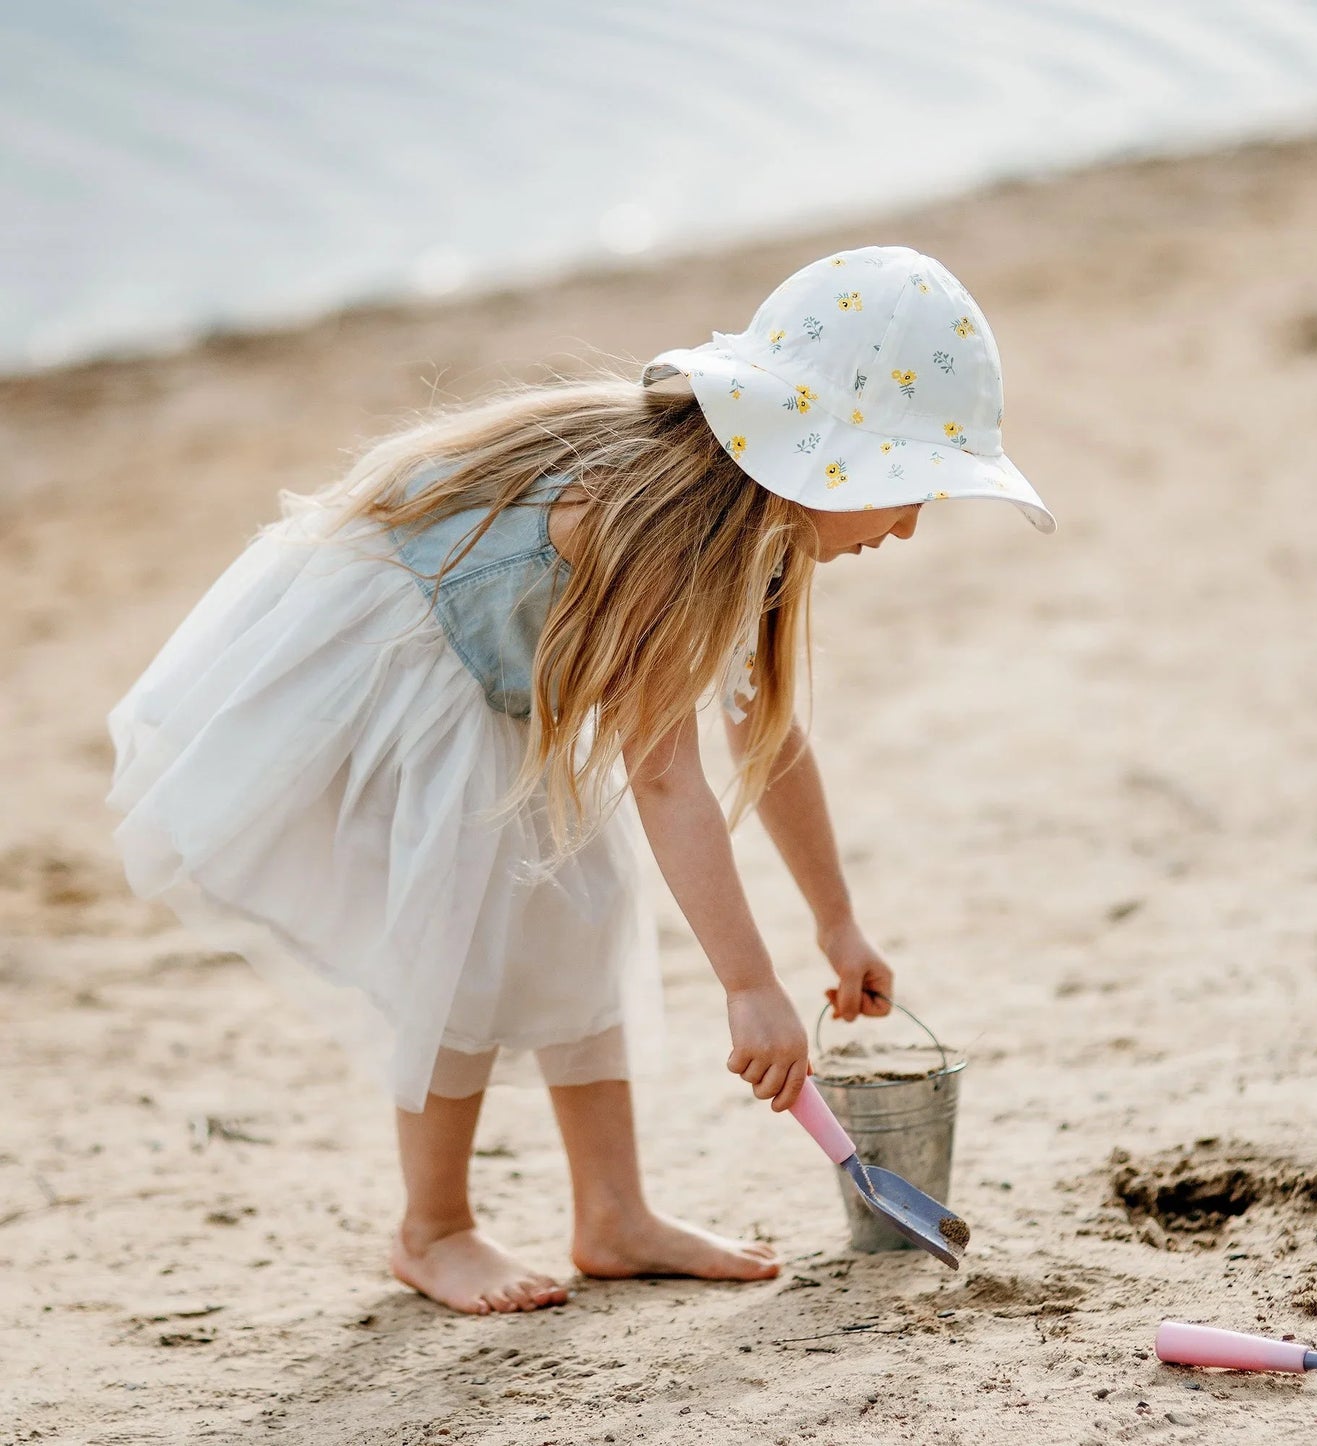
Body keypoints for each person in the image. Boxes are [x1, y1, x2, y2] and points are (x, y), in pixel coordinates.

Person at [107, 245, 1055, 1316]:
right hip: (420, 669)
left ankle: (611, 1214)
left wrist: (835, 923)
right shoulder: (663, 524)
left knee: (585, 913)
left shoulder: (763, 524)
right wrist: (748, 986)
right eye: (906, 490)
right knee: (465, 940)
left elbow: (768, 734)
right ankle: (434, 1228)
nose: (910, 526)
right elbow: (664, 779)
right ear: (827, 458)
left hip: (514, 684)